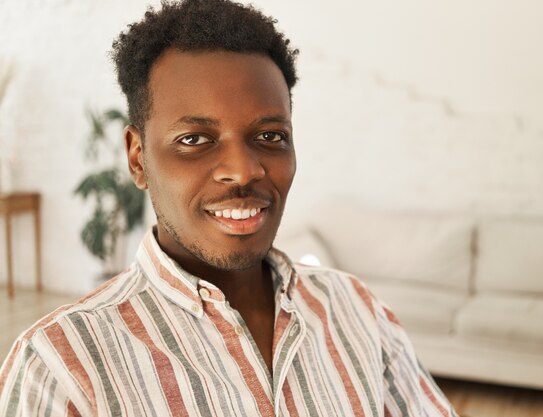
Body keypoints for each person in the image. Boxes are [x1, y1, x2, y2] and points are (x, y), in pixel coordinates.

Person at [0, 0, 458, 415]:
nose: (243, 172)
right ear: (138, 158)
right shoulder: (60, 366)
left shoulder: (356, 312)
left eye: (270, 137)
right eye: (194, 140)